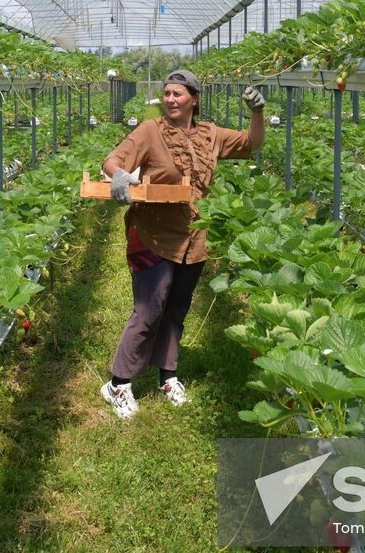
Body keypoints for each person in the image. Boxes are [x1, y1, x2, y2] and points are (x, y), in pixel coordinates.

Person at [98, 70, 266, 419]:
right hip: (153, 233)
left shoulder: (211, 135)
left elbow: (252, 143)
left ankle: (168, 376)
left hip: (194, 237)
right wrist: (117, 174)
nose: (170, 99)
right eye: (166, 93)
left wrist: (257, 113)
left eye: (177, 94)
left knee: (176, 309)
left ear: (194, 99)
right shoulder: (150, 131)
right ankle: (118, 382)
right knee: (149, 309)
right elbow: (114, 159)